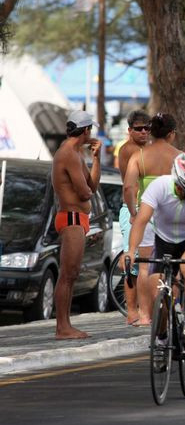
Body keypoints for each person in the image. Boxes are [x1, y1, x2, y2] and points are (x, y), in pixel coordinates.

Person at [126, 154, 185, 343]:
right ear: (181, 187)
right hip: (163, 240)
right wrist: (131, 250)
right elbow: (141, 221)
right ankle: (162, 338)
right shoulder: (160, 187)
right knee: (158, 294)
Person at [123, 113, 181, 325]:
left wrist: (132, 212)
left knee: (146, 266)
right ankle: (171, 308)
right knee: (173, 265)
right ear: (171, 134)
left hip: (146, 214)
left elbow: (129, 188)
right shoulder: (180, 157)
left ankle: (145, 315)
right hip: (172, 216)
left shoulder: (138, 156)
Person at [51, 110, 102, 339]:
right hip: (71, 217)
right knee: (67, 274)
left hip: (77, 219)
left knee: (71, 274)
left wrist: (97, 158)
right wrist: (87, 191)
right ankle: (62, 327)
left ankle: (65, 325)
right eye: (91, 129)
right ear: (86, 130)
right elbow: (84, 193)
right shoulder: (68, 154)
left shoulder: (76, 154)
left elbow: (93, 186)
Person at [116, 110, 151, 325]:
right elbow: (130, 186)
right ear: (130, 130)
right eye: (139, 129)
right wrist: (133, 213)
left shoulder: (146, 149)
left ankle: (142, 310)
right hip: (133, 210)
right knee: (133, 263)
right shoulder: (129, 150)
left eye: (147, 128)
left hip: (145, 209)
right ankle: (132, 311)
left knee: (147, 263)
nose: (144, 132)